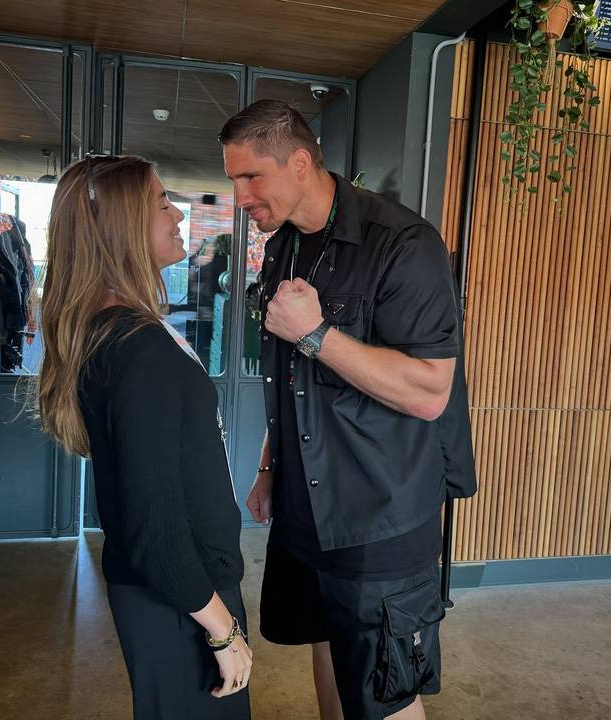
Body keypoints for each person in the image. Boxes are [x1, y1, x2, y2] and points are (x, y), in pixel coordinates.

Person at [219, 100, 478, 720]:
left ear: (301, 162)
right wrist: (267, 467)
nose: (241, 196)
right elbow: (292, 378)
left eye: (251, 177)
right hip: (307, 507)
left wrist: (317, 334)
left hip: (380, 512)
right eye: (234, 180)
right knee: (331, 651)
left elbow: (429, 391)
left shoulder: (403, 244)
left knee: (385, 690)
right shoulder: (284, 247)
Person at [36, 154, 253, 719]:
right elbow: (153, 524)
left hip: (175, 593)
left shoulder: (119, 332)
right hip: (184, 599)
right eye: (161, 202)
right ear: (123, 226)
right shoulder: (138, 349)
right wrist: (223, 631)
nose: (177, 215)